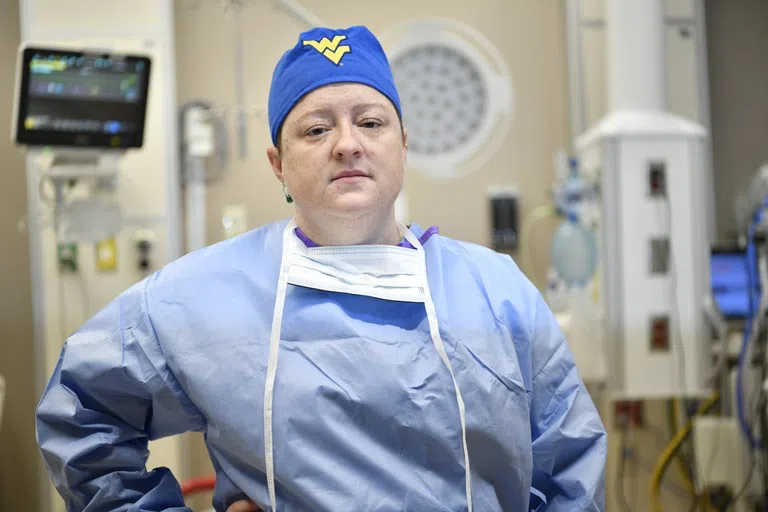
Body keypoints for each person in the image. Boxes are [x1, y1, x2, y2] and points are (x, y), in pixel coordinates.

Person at [36, 25, 607, 512]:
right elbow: (79, 411)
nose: (347, 145)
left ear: (403, 145)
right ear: (278, 166)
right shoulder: (202, 297)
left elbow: (570, 469)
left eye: (371, 122)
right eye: (316, 129)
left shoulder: (497, 290)